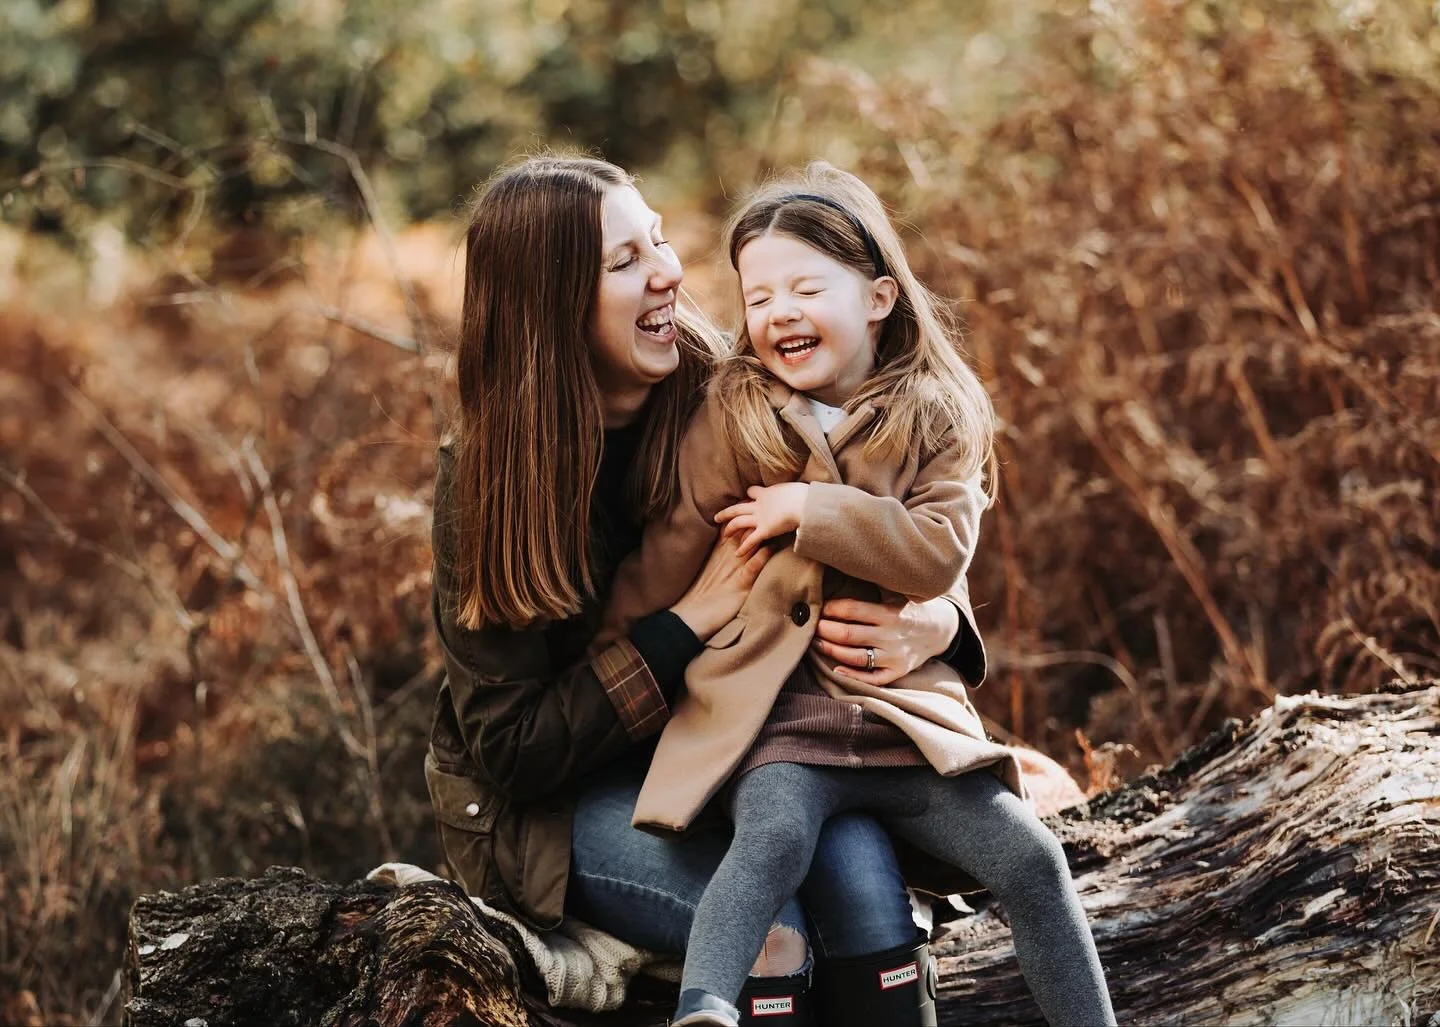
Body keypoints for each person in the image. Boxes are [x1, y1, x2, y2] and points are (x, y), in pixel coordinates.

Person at [426, 154, 986, 1026]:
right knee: (771, 931)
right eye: (624, 260)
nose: (668, 270)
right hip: (562, 804)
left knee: (873, 904)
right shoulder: (490, 480)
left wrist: (938, 624)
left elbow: (894, 518)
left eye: (657, 239)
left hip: (737, 747)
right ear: (551, 304)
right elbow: (512, 749)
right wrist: (687, 623)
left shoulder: (716, 384)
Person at [596, 163, 1117, 1027]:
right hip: (783, 724)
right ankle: (706, 1007)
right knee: (771, 840)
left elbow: (939, 552)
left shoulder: (936, 415)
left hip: (903, 726)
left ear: (878, 297)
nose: (779, 314)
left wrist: (814, 509)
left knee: (1030, 859)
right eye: (758, 298)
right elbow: (676, 542)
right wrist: (617, 645)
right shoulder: (736, 412)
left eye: (805, 287)